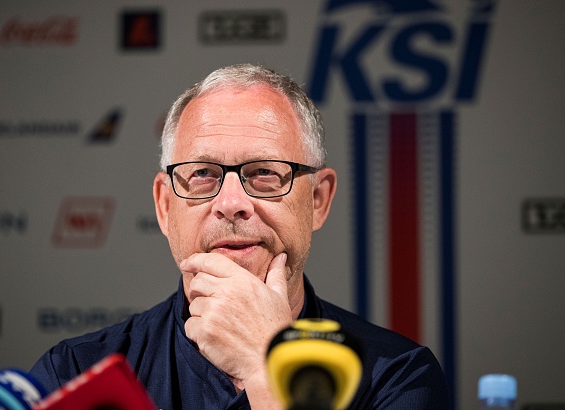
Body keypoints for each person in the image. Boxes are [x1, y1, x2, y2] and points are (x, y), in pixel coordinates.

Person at [30, 64, 451, 409]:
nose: (231, 202)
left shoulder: (397, 377)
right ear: (164, 206)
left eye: (264, 172)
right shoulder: (74, 375)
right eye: (203, 174)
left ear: (318, 200)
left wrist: (268, 365)